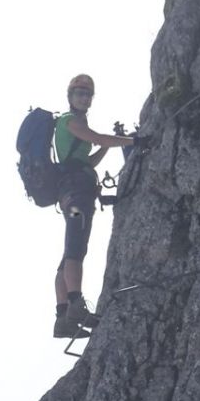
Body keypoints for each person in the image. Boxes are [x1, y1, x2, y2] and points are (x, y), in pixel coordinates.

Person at [53, 74, 136, 338]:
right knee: (75, 247)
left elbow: (88, 160)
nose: (84, 98)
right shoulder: (69, 121)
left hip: (73, 193)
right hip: (77, 198)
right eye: (80, 94)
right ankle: (75, 304)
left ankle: (62, 318)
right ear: (70, 96)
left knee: (68, 255)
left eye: (87, 95)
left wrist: (110, 146)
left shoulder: (74, 131)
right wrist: (133, 142)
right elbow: (98, 137)